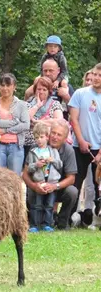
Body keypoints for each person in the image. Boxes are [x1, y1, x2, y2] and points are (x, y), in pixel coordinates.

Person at [22, 121, 78, 230]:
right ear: (48, 134)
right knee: (29, 191)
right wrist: (34, 186)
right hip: (38, 186)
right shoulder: (36, 147)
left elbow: (71, 178)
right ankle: (33, 222)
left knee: (72, 191)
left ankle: (62, 222)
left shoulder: (68, 150)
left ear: (65, 138)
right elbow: (25, 174)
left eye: (59, 135)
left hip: (57, 188)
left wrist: (55, 186)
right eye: (53, 133)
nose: (55, 137)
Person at [68, 62, 101, 216]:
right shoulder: (80, 93)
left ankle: (97, 217)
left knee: (98, 185)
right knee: (76, 182)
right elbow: (74, 119)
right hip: (79, 145)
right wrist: (80, 140)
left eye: (100, 75)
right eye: (94, 74)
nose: (96, 78)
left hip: (99, 148)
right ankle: (68, 217)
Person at [0, 73, 30, 175]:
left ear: (14, 87)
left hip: (16, 146)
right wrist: (15, 122)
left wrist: (5, 130)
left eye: (8, 85)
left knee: (14, 179)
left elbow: (26, 125)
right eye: (2, 85)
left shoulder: (21, 105)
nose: (5, 88)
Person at [25, 122, 63, 232]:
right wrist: (36, 165)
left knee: (49, 205)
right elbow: (28, 169)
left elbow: (60, 165)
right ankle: (34, 225)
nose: (39, 140)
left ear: (47, 137)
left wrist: (53, 160)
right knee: (37, 205)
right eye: (36, 138)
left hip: (51, 181)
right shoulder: (33, 152)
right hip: (39, 182)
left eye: (41, 137)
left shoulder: (53, 151)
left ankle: (47, 224)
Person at [24, 76, 64, 155]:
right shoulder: (27, 103)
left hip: (46, 145)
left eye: (44, 89)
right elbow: (25, 120)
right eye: (39, 89)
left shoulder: (55, 104)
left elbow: (59, 122)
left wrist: (37, 122)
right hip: (27, 143)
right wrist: (37, 106)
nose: (41, 92)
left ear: (49, 91)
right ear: (35, 90)